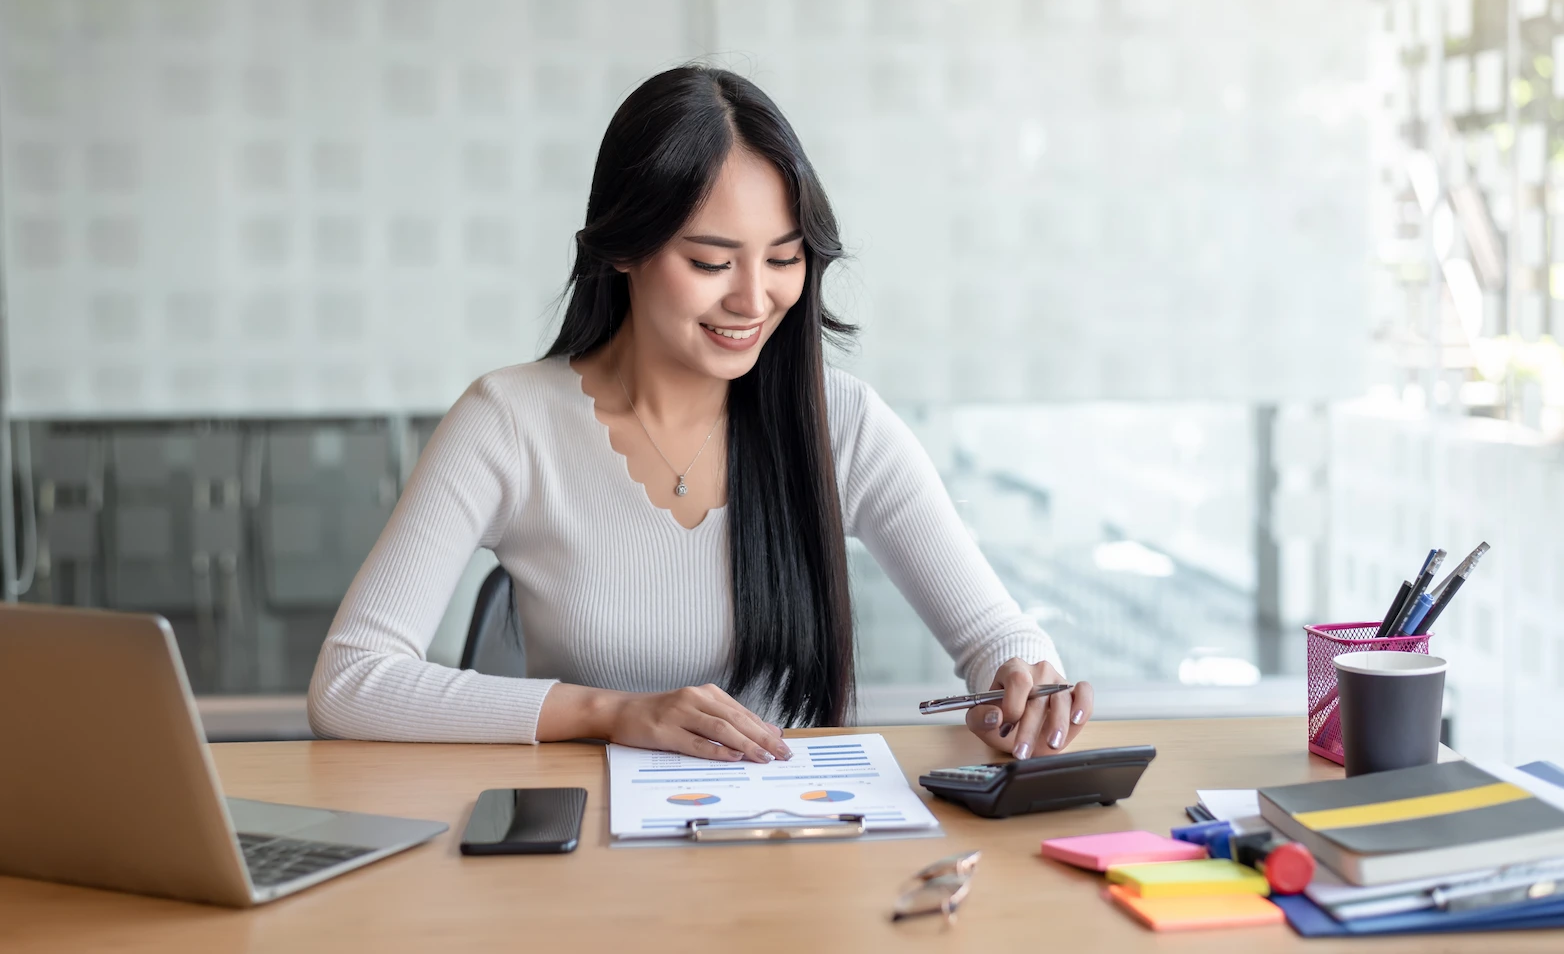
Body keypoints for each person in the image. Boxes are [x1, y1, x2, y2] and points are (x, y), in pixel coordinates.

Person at [308, 66, 1093, 764]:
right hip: (589, 853)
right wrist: (611, 713)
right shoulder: (509, 423)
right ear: (623, 248)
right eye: (711, 262)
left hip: (790, 845)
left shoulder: (842, 424)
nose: (753, 300)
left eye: (784, 258)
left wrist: (1026, 684)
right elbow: (349, 682)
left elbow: (999, 637)